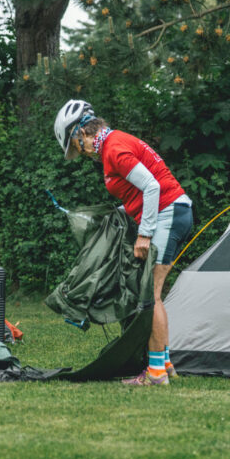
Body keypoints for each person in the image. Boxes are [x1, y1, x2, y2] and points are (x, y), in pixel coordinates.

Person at [54, 99, 193, 386]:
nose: (81, 153)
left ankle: (155, 374)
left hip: (169, 212)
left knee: (151, 297)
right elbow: (136, 194)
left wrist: (144, 233)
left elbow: (152, 186)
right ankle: (165, 364)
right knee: (155, 295)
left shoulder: (114, 148)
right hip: (174, 211)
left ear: (82, 133)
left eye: (77, 146)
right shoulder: (114, 144)